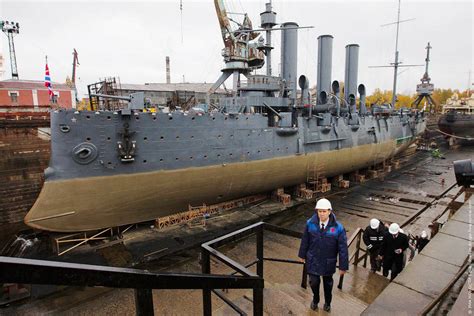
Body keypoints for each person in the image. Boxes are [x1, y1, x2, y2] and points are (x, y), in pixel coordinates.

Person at [298, 198, 349, 312]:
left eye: (324, 211)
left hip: (328, 262)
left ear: (329, 211)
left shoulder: (338, 228)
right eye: (319, 211)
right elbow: (305, 240)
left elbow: (343, 248)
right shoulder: (310, 223)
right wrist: (302, 255)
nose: (321, 214)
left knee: (328, 285)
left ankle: (327, 303)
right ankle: (315, 299)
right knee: (313, 282)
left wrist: (343, 266)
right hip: (313, 260)